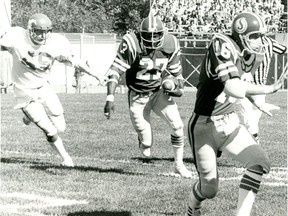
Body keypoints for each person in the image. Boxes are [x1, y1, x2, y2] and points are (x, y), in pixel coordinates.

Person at [185, 12, 283, 216]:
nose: (259, 41)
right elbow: (233, 88)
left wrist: (256, 101)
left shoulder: (248, 54)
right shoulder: (222, 44)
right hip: (203, 125)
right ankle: (193, 205)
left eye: (261, 36)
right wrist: (269, 88)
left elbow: (240, 86)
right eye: (255, 36)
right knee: (209, 190)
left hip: (229, 122)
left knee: (259, 162)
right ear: (240, 33)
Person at [0, 13, 103, 167]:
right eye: (39, 31)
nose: (43, 35)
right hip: (24, 92)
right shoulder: (17, 37)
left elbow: (76, 61)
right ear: (30, 30)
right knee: (50, 130)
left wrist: (94, 73)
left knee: (61, 127)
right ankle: (66, 158)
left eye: (46, 31)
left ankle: (28, 117)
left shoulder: (56, 43)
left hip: (43, 87)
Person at [103, 14, 192, 178]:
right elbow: (115, 71)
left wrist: (175, 86)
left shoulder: (170, 43)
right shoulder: (132, 42)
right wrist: (110, 97)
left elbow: (178, 78)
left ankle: (179, 165)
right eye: (147, 35)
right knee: (146, 147)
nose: (152, 39)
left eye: (156, 35)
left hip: (158, 92)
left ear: (163, 33)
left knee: (178, 126)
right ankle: (143, 140)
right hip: (138, 97)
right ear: (140, 34)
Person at [238, 35, 287, 143]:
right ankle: (253, 142)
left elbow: (284, 50)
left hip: (259, 88)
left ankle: (252, 141)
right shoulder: (241, 41)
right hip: (244, 84)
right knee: (247, 117)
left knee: (254, 117)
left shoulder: (269, 42)